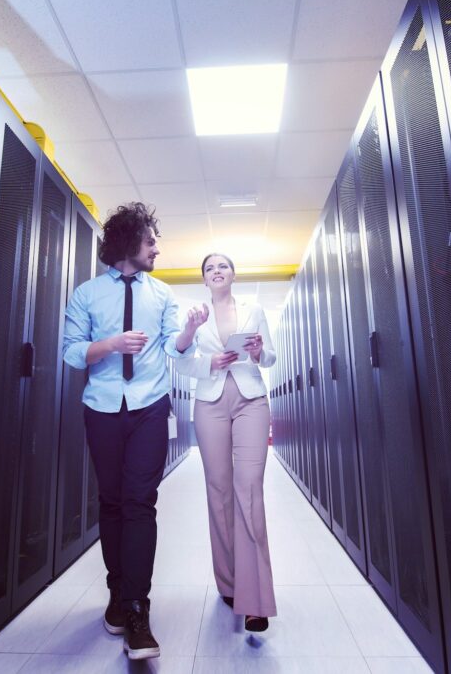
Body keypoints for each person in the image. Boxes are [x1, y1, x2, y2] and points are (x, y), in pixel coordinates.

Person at [62, 203, 207, 660]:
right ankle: (117, 593)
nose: (156, 248)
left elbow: (175, 351)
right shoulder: (86, 294)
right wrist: (110, 345)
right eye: (150, 241)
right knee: (111, 500)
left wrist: (187, 332)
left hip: (149, 406)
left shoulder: (162, 294)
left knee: (140, 501)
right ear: (128, 244)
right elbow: (70, 353)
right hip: (102, 407)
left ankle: (139, 610)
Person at [175, 253, 277, 632]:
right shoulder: (195, 316)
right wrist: (209, 362)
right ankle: (230, 583)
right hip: (210, 404)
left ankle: (255, 600)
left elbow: (270, 356)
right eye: (209, 268)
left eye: (223, 266)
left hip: (251, 399)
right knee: (218, 491)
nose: (216, 271)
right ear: (203, 279)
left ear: (234, 274)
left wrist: (257, 352)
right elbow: (183, 363)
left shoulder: (254, 308)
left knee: (248, 489)